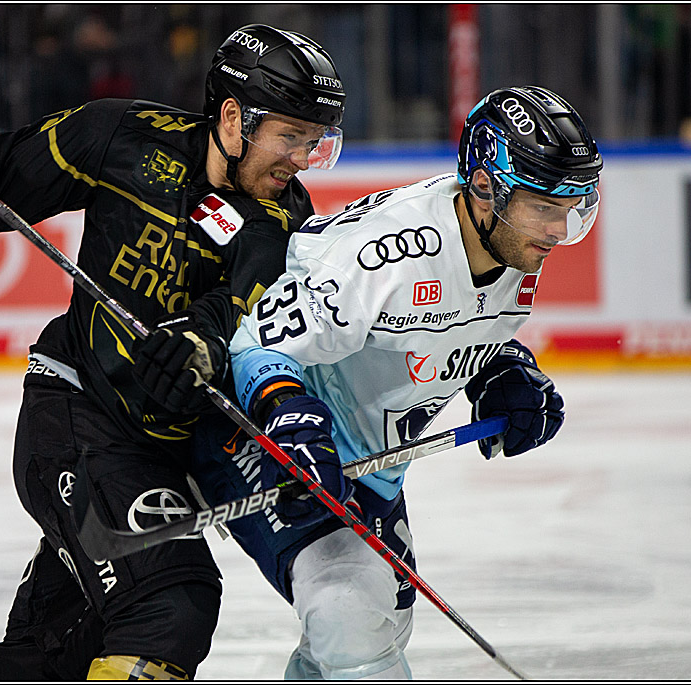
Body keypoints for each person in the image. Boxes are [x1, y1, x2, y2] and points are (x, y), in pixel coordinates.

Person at [0, 24, 345, 681]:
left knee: (48, 660)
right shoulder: (120, 135)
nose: (301, 157)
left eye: (316, 142)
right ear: (234, 117)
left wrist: (201, 347)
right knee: (168, 603)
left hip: (159, 457)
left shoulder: (283, 217)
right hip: (75, 413)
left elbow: (246, 313)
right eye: (291, 137)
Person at [191, 85, 603, 679]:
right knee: (350, 617)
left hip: (373, 466)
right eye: (545, 206)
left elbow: (449, 325)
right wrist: (291, 420)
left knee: (374, 630)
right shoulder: (382, 258)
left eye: (574, 209)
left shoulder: (511, 245)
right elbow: (256, 343)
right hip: (268, 437)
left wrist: (500, 370)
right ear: (485, 187)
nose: (560, 231)